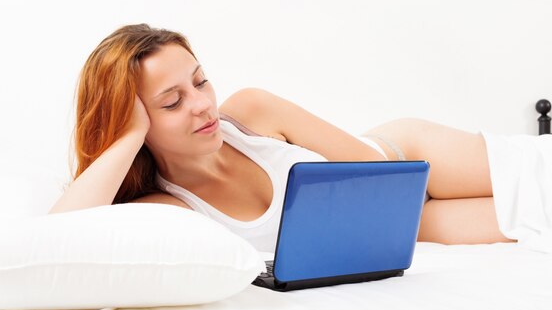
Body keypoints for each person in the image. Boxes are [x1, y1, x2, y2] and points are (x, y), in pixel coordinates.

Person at [49, 23, 514, 250]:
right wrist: (128, 135)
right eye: (171, 102)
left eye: (200, 80)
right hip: (395, 227)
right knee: (529, 222)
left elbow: (388, 177)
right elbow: (54, 237)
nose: (202, 103)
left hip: (401, 159)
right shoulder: (168, 209)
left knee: (537, 186)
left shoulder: (251, 110)